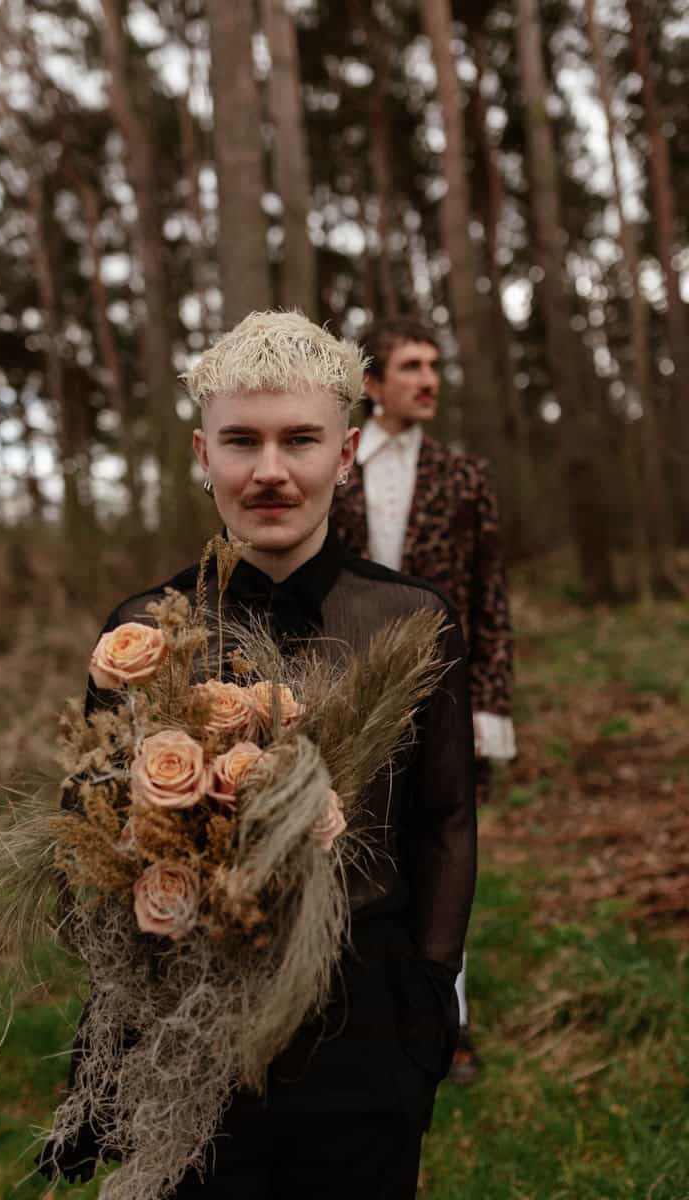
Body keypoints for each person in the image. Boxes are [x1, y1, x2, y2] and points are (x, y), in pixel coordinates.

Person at [43, 311, 477, 1197]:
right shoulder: (143, 630)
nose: (270, 471)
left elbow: (445, 822)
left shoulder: (412, 621)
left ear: (346, 451)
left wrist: (429, 1009)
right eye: (241, 441)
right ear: (203, 456)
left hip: (364, 1028)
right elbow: (82, 828)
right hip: (184, 1033)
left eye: (300, 440)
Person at [331, 314, 515, 1084]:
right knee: (346, 854)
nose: (429, 379)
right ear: (371, 385)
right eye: (411, 366)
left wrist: (490, 708)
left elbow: (490, 601)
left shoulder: (466, 476)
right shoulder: (332, 471)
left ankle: (448, 1024)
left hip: (443, 699)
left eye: (435, 365)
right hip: (345, 699)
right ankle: (350, 1017)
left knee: (445, 861)